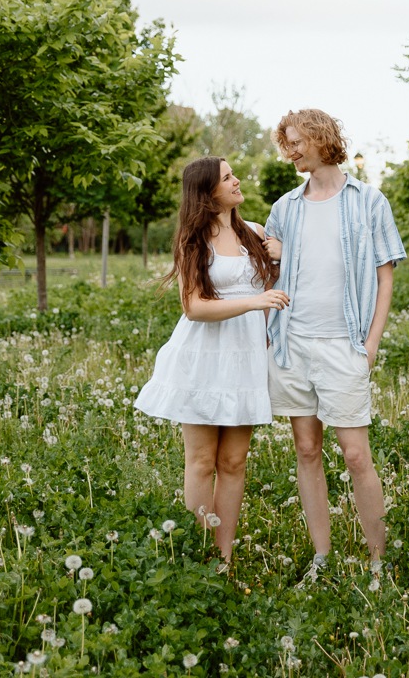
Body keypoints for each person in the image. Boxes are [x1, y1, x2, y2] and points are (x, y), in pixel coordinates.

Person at [263, 109, 406, 573]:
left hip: (344, 344)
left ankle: (379, 561)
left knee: (356, 454)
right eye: (286, 143)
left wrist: (372, 342)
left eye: (296, 141)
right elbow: (270, 272)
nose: (291, 151)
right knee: (306, 449)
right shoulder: (284, 208)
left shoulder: (368, 201)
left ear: (321, 137)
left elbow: (385, 276)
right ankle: (321, 557)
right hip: (293, 344)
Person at [134, 156, 290, 561]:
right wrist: (254, 302)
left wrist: (283, 253)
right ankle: (196, 556)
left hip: (246, 357)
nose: (237, 180)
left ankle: (223, 558)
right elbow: (194, 307)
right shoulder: (193, 239)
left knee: (234, 461)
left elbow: (283, 284)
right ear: (208, 193)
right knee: (203, 461)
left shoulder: (255, 233)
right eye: (227, 177)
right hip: (204, 356)